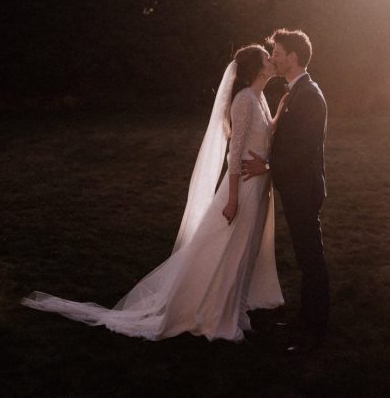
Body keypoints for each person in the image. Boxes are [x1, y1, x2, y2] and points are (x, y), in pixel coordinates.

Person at [22, 45, 287, 342]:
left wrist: (278, 114)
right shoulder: (243, 100)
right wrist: (233, 198)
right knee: (231, 250)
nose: (272, 59)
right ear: (258, 68)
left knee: (246, 250)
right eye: (267, 57)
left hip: (259, 186)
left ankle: (235, 311)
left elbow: (262, 135)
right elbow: (234, 152)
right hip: (244, 188)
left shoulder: (259, 97)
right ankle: (214, 313)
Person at [242, 29, 329, 354]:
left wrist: (266, 167)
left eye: (277, 52)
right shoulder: (296, 91)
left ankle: (314, 330)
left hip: (303, 189)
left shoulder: (309, 95)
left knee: (311, 260)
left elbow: (303, 150)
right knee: (307, 258)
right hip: (295, 187)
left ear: (292, 56)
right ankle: (306, 321)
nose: (273, 57)